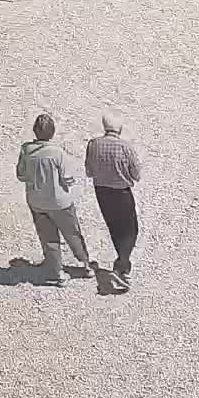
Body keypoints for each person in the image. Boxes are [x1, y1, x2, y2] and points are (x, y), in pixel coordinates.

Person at [15, 113, 93, 286]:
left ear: (35, 131)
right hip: (60, 202)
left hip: (36, 201)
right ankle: (86, 265)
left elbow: (20, 175)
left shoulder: (26, 150)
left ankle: (56, 271)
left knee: (48, 237)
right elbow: (68, 178)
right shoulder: (57, 153)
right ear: (53, 132)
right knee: (72, 233)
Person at [85, 112, 143, 292]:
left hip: (101, 192)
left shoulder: (93, 144)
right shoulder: (125, 147)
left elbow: (89, 171)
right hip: (121, 193)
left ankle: (122, 264)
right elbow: (136, 175)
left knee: (114, 227)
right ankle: (121, 266)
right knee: (131, 229)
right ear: (120, 128)